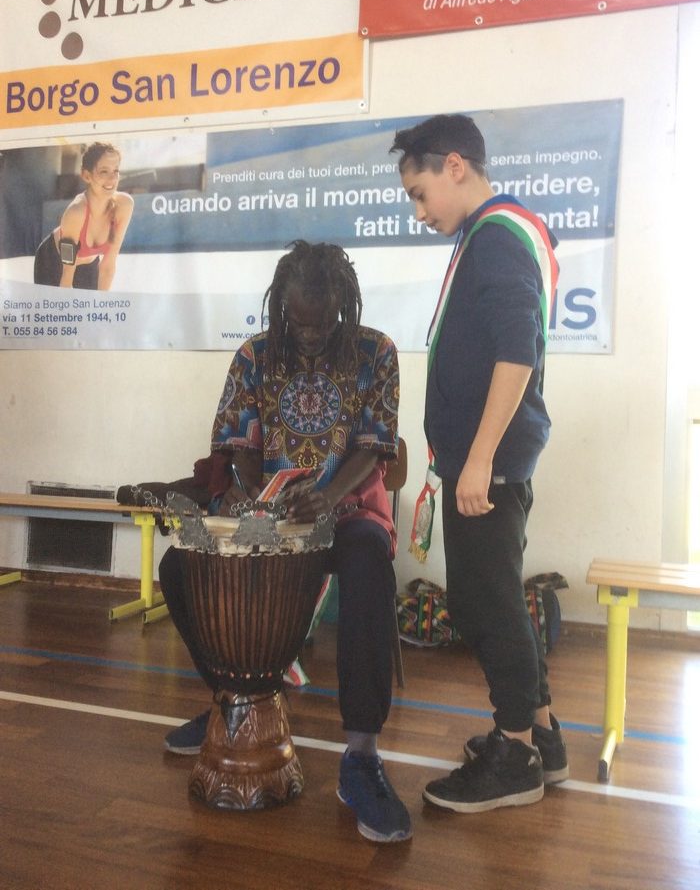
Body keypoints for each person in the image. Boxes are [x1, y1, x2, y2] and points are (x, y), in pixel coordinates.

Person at [158, 240, 411, 844]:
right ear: (281, 311)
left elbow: (375, 445)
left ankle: (362, 755)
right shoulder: (254, 355)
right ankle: (231, 694)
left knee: (371, 566)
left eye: (323, 322)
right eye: (299, 322)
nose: (311, 334)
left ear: (342, 308)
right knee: (178, 568)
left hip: (347, 511)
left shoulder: (376, 351)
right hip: (270, 512)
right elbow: (236, 444)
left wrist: (328, 497)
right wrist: (258, 495)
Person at [389, 114, 568, 813]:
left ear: (455, 166)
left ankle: (515, 752)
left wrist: (479, 459)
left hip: (486, 463)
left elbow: (516, 351)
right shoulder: (490, 234)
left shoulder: (496, 239)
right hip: (484, 458)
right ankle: (543, 735)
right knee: (493, 596)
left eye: (419, 191)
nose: (418, 208)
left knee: (484, 603)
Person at [33, 141, 133, 291]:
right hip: (54, 261)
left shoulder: (124, 206)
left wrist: (102, 306)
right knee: (55, 312)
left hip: (88, 261)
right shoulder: (76, 212)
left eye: (116, 171)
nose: (112, 179)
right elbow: (66, 278)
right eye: (104, 171)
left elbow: (108, 265)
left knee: (93, 310)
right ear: (87, 175)